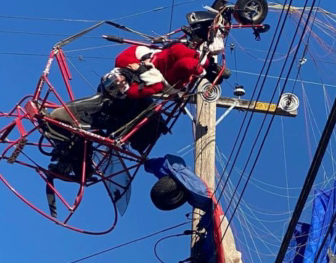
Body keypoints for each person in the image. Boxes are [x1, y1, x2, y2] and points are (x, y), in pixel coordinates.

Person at [46, 40, 223, 177]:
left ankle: (74, 157)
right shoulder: (138, 68)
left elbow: (160, 81)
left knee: (102, 111)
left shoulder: (150, 82)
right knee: (100, 107)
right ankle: (72, 156)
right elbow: (126, 63)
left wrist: (205, 65)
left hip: (126, 113)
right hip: (115, 110)